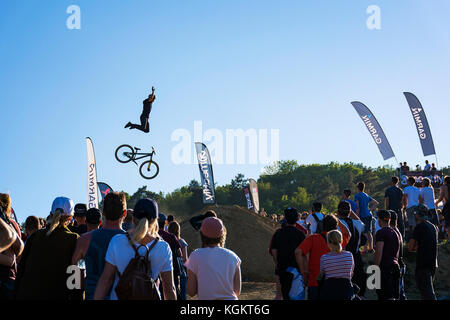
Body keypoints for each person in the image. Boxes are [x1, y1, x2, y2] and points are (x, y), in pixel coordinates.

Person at [94, 198, 176, 300]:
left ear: (133, 218)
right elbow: (169, 289)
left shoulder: (117, 241)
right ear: (155, 220)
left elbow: (105, 280)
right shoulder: (163, 248)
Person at [15, 197, 80, 300]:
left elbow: (21, 270)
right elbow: (76, 276)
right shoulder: (74, 239)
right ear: (70, 218)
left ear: (50, 213)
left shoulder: (35, 236)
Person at [72, 192, 127, 300]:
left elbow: (74, 272)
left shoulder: (84, 240)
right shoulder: (132, 241)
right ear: (124, 213)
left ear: (103, 212)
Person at [185, 217, 241, 300]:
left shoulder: (195, 255)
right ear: (222, 235)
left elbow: (191, 291)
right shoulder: (233, 256)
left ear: (202, 235)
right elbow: (237, 291)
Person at [296, 215, 347, 300]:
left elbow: (298, 252)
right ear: (336, 227)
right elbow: (348, 233)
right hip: (333, 283)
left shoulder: (313, 238)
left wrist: (304, 272)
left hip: (314, 281)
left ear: (322, 225)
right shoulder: (339, 241)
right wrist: (339, 222)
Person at [270, 207, 306, 300]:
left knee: (283, 295)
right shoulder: (300, 234)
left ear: (285, 218)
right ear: (297, 219)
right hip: (296, 270)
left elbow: (274, 251)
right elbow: (303, 253)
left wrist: (277, 264)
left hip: (282, 269)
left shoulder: (278, 233)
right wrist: (303, 270)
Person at [336, 201, 367, 298]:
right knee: (358, 287)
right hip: (356, 256)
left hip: (342, 257)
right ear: (350, 212)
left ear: (338, 211)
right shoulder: (357, 223)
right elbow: (362, 223)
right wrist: (351, 212)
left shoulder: (337, 225)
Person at [408, 204, 439, 300]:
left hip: (423, 263)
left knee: (428, 293)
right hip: (433, 263)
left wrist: (416, 247)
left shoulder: (419, 227)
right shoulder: (433, 227)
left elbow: (410, 247)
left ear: (417, 214)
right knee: (427, 292)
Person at [0, 193, 24, 300]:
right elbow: (19, 248)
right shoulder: (13, 224)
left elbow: (9, 260)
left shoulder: (6, 224)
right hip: (11, 278)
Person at [318, 230, 354, 300]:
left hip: (330, 291)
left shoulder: (324, 258)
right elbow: (351, 273)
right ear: (341, 240)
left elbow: (321, 275)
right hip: (346, 290)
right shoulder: (349, 255)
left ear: (328, 243)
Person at [374, 210, 401, 300]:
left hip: (385, 267)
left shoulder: (381, 233)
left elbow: (379, 252)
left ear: (379, 220)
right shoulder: (396, 233)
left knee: (384, 295)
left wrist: (375, 268)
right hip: (395, 266)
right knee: (394, 296)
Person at [158, 212, 182, 298]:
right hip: (172, 269)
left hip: (157, 271)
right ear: (165, 223)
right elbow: (180, 253)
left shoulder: (151, 237)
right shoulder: (171, 236)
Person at [354, 182, 378, 253]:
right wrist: (370, 209)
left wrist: (357, 216)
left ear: (358, 188)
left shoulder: (357, 196)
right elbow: (376, 203)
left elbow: (357, 207)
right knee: (369, 232)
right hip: (369, 215)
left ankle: (364, 249)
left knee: (364, 232)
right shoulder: (366, 195)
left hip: (362, 215)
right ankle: (371, 248)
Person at [168, 221, 189, 301]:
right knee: (182, 294)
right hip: (181, 270)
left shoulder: (167, 240)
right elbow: (185, 258)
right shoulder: (182, 242)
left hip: (171, 268)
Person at [389, 210, 407, 300]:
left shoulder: (392, 232)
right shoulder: (397, 231)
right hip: (400, 263)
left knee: (397, 294)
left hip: (397, 265)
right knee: (400, 292)